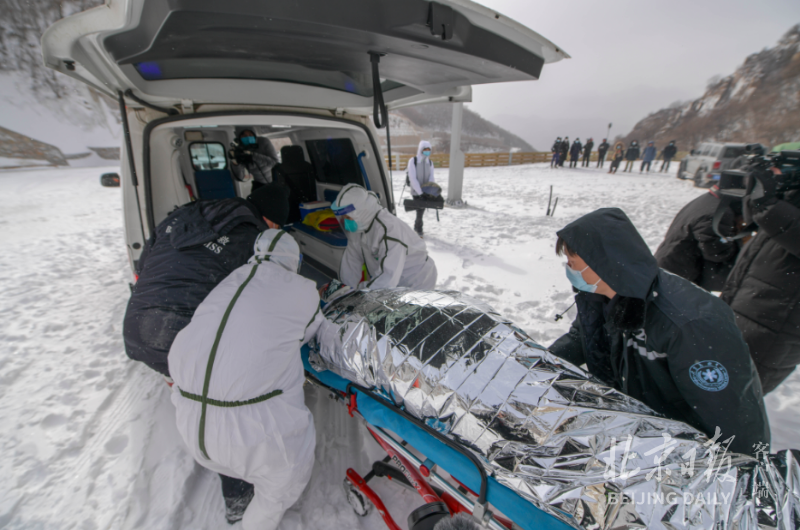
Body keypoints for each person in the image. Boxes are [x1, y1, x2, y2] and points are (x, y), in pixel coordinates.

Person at [549, 208, 769, 455]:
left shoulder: (689, 324)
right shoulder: (602, 295)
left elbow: (731, 414)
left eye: (572, 262)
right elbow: (582, 338)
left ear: (603, 261)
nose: (569, 269)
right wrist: (541, 367)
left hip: (683, 447)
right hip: (641, 431)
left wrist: (744, 466)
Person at [169, 229, 324, 530]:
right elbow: (309, 333)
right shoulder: (302, 289)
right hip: (252, 438)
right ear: (295, 260)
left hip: (190, 426)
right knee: (282, 484)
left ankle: (237, 490)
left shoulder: (231, 280)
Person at [123, 183, 290, 378]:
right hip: (187, 341)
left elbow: (143, 267)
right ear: (267, 218)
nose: (274, 231)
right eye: (276, 225)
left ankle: (182, 381)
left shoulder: (182, 216)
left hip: (136, 330)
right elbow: (268, 296)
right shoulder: (252, 238)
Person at [721, 165, 800, 393]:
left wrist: (768, 205)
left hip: (775, 324)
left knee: (733, 396)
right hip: (747, 301)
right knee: (710, 384)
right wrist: (760, 193)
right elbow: (760, 220)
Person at [333, 183, 437, 290]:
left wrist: (359, 293)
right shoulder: (359, 228)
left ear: (361, 212)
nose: (346, 223)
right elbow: (351, 264)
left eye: (348, 218)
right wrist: (345, 291)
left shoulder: (389, 231)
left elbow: (386, 279)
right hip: (392, 281)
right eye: (344, 218)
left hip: (416, 281)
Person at [654, 184, 744, 291]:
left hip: (673, 266)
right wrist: (741, 240)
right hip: (679, 274)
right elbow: (716, 252)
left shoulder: (711, 200)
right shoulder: (718, 213)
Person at [407, 140, 436, 236]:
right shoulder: (413, 161)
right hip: (416, 191)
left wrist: (429, 191)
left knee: (421, 209)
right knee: (420, 209)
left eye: (429, 150)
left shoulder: (430, 163)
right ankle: (419, 228)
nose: (427, 151)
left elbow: (431, 177)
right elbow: (412, 178)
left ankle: (417, 226)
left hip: (426, 191)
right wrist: (420, 192)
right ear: (420, 150)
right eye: (425, 149)